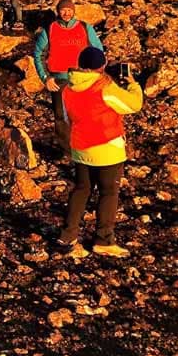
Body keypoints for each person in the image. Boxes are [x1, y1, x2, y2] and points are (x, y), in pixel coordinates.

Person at [57, 46, 143, 258]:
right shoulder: (104, 87)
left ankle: (67, 235)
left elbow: (67, 118)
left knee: (81, 189)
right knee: (108, 192)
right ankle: (104, 240)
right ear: (102, 65)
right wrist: (133, 85)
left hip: (80, 147)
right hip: (106, 148)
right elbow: (133, 105)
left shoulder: (68, 88)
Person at [34, 0, 103, 133]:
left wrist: (97, 75)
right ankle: (65, 144)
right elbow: (38, 55)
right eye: (63, 10)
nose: (66, 13)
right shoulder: (49, 30)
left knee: (85, 115)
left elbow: (98, 52)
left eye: (69, 10)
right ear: (58, 11)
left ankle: (85, 142)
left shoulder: (84, 27)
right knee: (61, 117)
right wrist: (46, 78)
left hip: (83, 79)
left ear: (74, 11)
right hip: (59, 81)